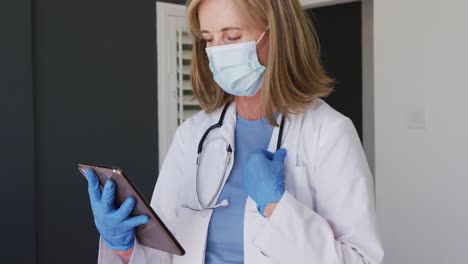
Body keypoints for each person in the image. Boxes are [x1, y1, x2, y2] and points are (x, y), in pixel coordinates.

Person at [84, 0, 384, 263]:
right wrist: (124, 246)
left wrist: (277, 209)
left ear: (277, 35)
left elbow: (361, 259)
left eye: (232, 36)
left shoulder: (328, 132)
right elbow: (165, 255)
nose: (217, 52)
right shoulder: (192, 134)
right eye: (209, 39)